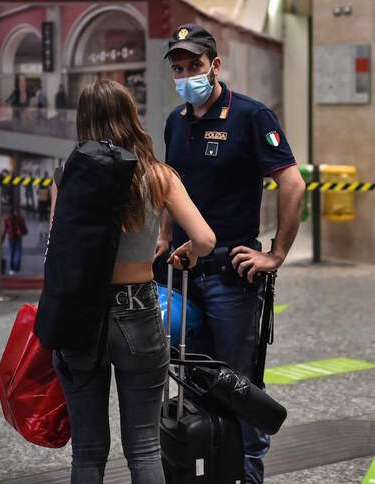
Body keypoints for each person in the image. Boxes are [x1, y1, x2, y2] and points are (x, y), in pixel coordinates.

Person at [158, 24, 306, 484]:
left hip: (231, 277)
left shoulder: (250, 116)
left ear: (215, 65)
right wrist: (164, 237)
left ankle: (247, 475)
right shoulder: (175, 122)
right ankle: (210, 471)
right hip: (184, 274)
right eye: (178, 69)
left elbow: (293, 183)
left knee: (237, 385)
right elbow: (171, 187)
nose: (186, 77)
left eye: (194, 66)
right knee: (194, 386)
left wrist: (276, 253)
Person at [51, 78, 215, 484]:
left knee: (87, 451)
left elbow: (56, 248)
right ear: (131, 117)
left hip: (79, 314)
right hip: (138, 311)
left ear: (84, 120)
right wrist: (187, 252)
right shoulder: (159, 176)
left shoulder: (67, 174)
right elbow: (206, 239)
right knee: (143, 447)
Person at [1, 206, 27, 275]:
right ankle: (16, 268)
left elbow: (5, 230)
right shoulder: (18, 218)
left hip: (11, 237)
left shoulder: (7, 219)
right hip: (17, 237)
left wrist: (2, 239)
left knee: (12, 253)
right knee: (18, 252)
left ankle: (12, 268)